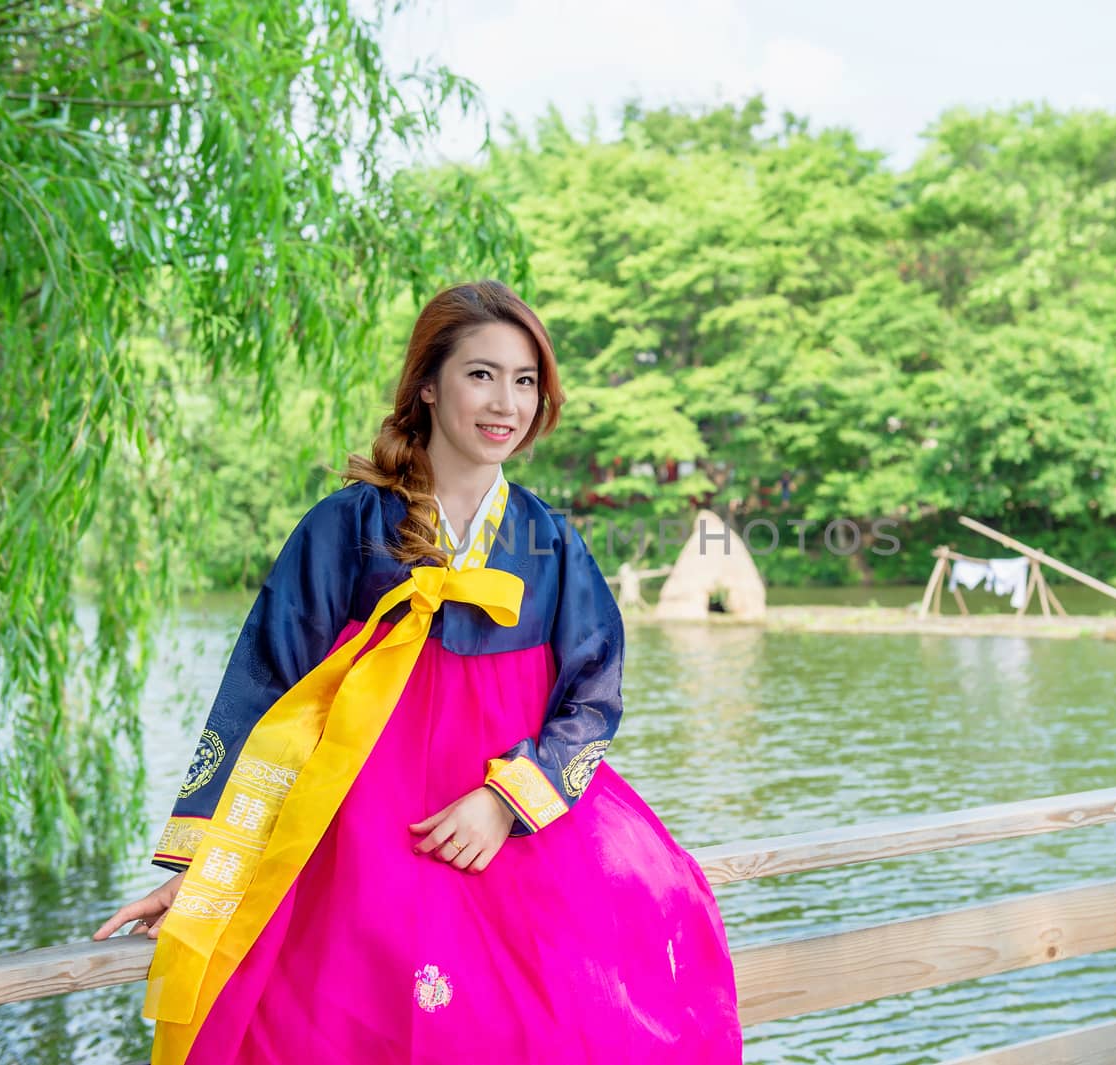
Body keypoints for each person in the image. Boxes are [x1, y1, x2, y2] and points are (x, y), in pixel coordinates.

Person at [94, 281, 742, 1063]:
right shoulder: (346, 527)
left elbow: (594, 699)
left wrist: (505, 803)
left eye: (526, 379)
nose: (507, 401)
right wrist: (202, 865)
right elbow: (263, 689)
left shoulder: (551, 544)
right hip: (360, 837)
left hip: (505, 827)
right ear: (427, 386)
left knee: (588, 999)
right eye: (482, 374)